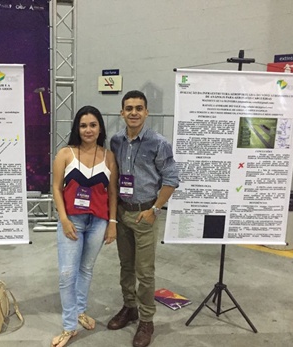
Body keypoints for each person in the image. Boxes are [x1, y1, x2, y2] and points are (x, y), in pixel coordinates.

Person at [108, 90, 179, 347]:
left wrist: (155, 210)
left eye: (139, 108)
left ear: (146, 112)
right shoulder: (115, 141)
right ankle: (130, 308)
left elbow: (172, 180)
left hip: (145, 214)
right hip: (122, 211)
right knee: (125, 266)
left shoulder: (158, 143)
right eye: (129, 108)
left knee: (145, 272)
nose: (134, 112)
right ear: (122, 112)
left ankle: (147, 320)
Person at [51, 105, 118, 347]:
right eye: (83, 125)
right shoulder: (65, 154)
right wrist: (64, 219)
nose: (88, 130)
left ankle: (80, 310)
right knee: (67, 274)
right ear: (76, 129)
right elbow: (56, 189)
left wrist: (112, 223)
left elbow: (112, 193)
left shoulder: (108, 156)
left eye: (92, 125)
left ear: (100, 128)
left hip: (99, 222)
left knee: (86, 269)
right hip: (73, 221)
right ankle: (70, 326)